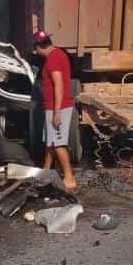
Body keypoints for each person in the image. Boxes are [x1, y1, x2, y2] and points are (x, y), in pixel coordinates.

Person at [32, 30, 77, 192]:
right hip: (53, 106)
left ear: (39, 46)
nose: (35, 52)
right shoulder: (58, 53)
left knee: (58, 143)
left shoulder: (52, 60)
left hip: (58, 107)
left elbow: (59, 85)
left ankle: (69, 176)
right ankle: (46, 171)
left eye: (35, 48)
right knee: (50, 141)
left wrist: (57, 112)